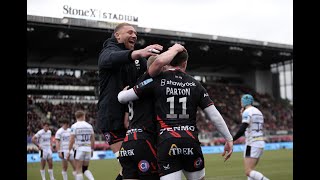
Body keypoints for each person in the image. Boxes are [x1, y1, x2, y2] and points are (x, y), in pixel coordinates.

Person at [118, 49, 234, 180]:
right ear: (185, 63)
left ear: (168, 60)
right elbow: (214, 115)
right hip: (190, 140)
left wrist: (123, 92)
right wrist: (228, 138)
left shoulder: (156, 80)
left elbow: (122, 98)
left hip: (167, 141)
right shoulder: (196, 84)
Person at [97, 22, 163, 180]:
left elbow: (143, 82)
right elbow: (112, 58)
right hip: (112, 119)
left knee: (133, 169)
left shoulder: (138, 61)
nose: (134, 36)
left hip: (134, 120)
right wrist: (140, 52)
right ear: (117, 35)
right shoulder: (108, 52)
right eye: (130, 32)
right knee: (128, 165)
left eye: (136, 34)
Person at [119, 43, 186, 180]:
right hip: (145, 142)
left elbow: (125, 120)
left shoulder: (134, 88)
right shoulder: (153, 84)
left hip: (128, 141)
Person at [232, 94, 269, 180]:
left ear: (244, 102)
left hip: (252, 143)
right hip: (260, 142)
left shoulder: (247, 112)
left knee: (248, 171)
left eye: (241, 101)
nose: (240, 102)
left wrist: (232, 139)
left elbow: (243, 128)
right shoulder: (258, 112)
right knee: (251, 171)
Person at [67, 110, 95, 180]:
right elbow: (92, 139)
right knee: (85, 169)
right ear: (83, 116)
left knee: (78, 169)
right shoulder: (89, 126)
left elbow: (72, 140)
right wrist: (92, 150)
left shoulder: (74, 126)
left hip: (79, 148)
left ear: (76, 117)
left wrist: (68, 151)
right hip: (88, 148)